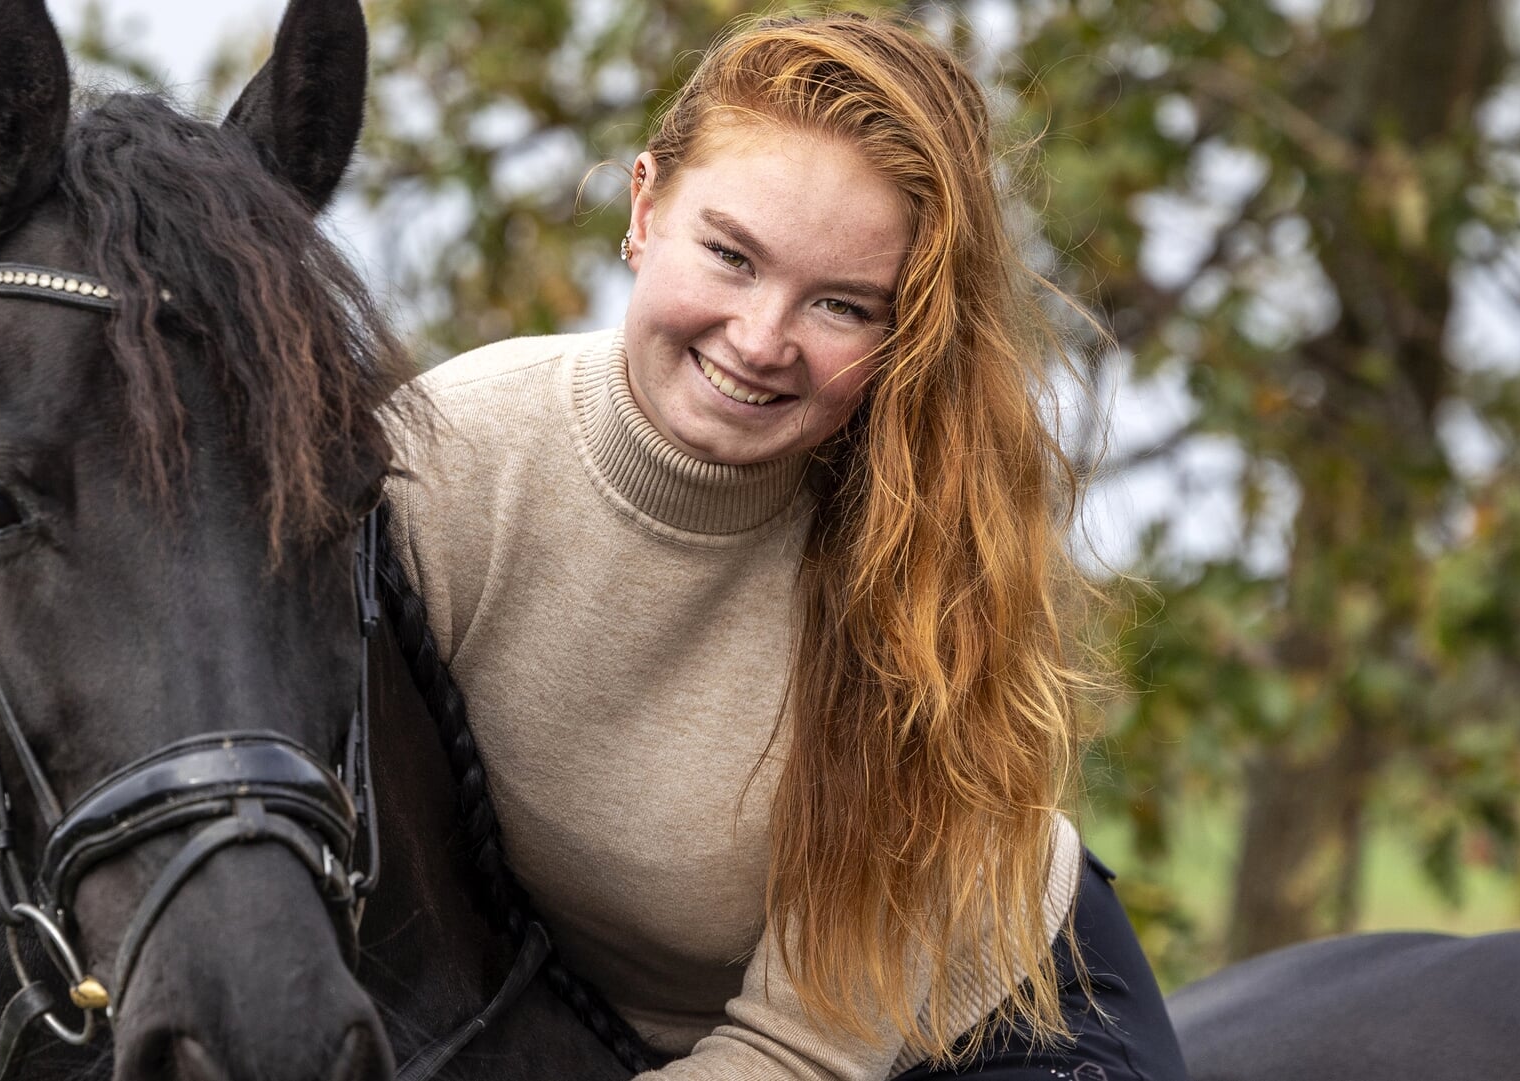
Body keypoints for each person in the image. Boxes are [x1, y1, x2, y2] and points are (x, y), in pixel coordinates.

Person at [386, 12, 1189, 1081]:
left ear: (903, 336)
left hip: (970, 1020)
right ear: (645, 206)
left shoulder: (923, 561)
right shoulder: (443, 463)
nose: (762, 340)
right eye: (730, 255)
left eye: (843, 305)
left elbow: (799, 1048)